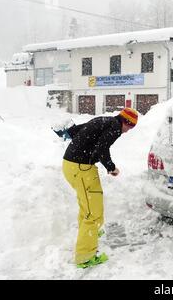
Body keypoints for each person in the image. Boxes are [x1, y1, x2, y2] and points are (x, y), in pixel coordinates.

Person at [62, 107, 138, 268]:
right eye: (130, 127)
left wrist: (66, 133)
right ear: (126, 121)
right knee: (93, 213)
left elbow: (77, 131)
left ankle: (90, 235)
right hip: (81, 168)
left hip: (73, 166)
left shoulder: (102, 120)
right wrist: (111, 167)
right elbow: (102, 148)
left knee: (89, 206)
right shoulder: (115, 127)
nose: (128, 131)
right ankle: (85, 257)